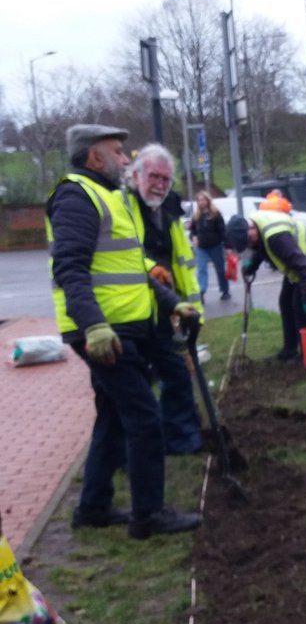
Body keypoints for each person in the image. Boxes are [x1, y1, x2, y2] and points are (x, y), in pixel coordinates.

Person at [46, 123, 202, 540]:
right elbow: (70, 270)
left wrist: (173, 303)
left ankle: (93, 507)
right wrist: (94, 326)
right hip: (105, 333)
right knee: (145, 416)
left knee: (114, 416)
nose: (125, 159)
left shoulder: (111, 198)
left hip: (124, 328)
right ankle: (148, 515)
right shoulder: (76, 196)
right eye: (118, 151)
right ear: (94, 156)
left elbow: (132, 272)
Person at [127, 143, 203, 456]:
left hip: (164, 310)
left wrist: (192, 310)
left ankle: (181, 438)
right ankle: (128, 451)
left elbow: (184, 264)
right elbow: (123, 256)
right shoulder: (122, 207)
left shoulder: (170, 210)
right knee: (132, 387)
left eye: (166, 179)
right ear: (136, 176)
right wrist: (151, 269)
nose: (159, 185)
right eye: (154, 177)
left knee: (176, 375)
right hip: (130, 312)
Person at [226, 192, 306, 363]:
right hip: (296, 262)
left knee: (299, 305)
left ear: (250, 228)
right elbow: (261, 245)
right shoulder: (255, 225)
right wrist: (253, 264)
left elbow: (303, 267)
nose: (251, 244)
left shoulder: (276, 237)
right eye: (248, 244)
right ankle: (289, 350)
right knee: (285, 301)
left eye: (249, 241)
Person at [190, 189, 230, 302]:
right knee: (202, 269)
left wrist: (227, 247)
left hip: (215, 246)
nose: (201, 202)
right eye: (199, 200)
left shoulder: (215, 214)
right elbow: (192, 229)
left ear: (208, 201)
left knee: (220, 269)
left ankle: (225, 290)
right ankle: (201, 292)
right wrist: (193, 236)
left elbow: (223, 231)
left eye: (203, 200)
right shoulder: (196, 215)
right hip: (201, 247)